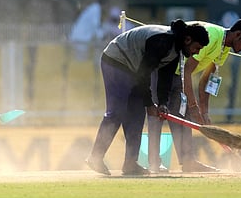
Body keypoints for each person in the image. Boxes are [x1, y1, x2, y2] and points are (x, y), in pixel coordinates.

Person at [85, 20, 210, 176]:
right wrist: (150, 103)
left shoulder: (175, 52)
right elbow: (143, 74)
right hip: (117, 62)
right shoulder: (163, 41)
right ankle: (95, 157)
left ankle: (130, 163)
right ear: (187, 40)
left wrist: (162, 103)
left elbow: (165, 80)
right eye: (196, 48)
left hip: (134, 70)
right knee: (117, 111)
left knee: (137, 115)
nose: (196, 52)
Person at [147, 18, 241, 173]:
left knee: (183, 116)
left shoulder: (224, 49)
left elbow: (206, 81)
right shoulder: (212, 35)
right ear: (238, 34)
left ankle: (188, 161)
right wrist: (193, 107)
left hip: (178, 76)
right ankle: (154, 163)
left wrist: (204, 113)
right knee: (157, 115)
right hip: (163, 71)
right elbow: (187, 70)